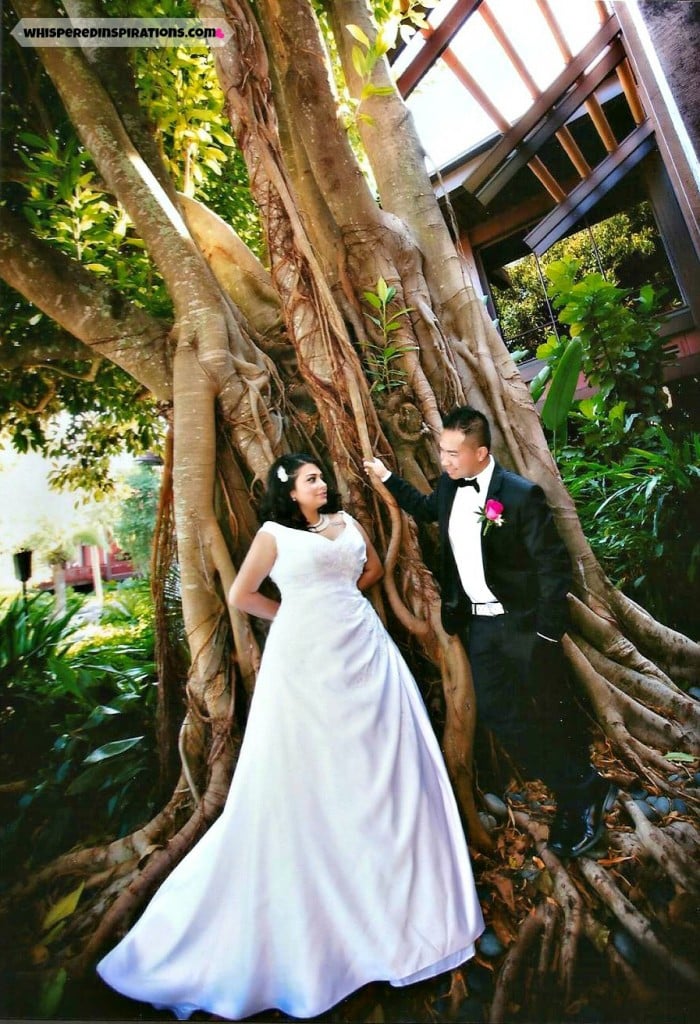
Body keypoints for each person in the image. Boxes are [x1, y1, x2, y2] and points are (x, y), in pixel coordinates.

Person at [97, 452, 484, 1021]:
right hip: (304, 660)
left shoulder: (348, 523)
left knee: (385, 765)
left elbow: (372, 571)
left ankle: (399, 904)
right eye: (311, 479)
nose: (322, 483)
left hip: (364, 648)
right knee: (314, 769)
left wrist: (339, 596)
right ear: (290, 490)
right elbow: (241, 595)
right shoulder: (273, 535)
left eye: (321, 477)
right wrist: (294, 611)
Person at [364, 407, 617, 859]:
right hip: (479, 627)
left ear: (481, 453)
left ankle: (578, 798)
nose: (444, 460)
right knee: (501, 713)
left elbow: (552, 566)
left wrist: (546, 633)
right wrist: (387, 478)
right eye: (442, 451)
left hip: (522, 626)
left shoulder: (519, 495)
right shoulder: (449, 486)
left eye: (453, 453)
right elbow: (426, 509)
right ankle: (580, 785)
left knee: (548, 710)